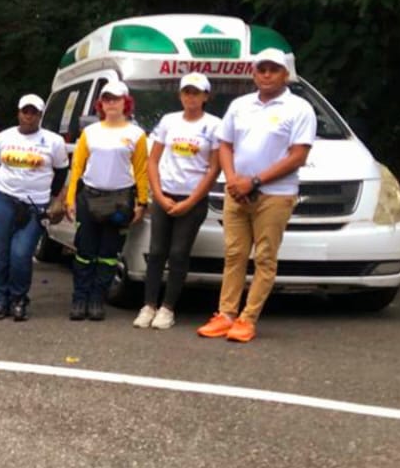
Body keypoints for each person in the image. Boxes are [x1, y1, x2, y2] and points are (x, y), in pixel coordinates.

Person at [197, 49, 316, 343]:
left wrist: (256, 181)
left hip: (274, 194)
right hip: (237, 192)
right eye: (261, 69)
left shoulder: (299, 108)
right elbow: (224, 144)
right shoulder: (240, 105)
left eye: (273, 69)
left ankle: (247, 318)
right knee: (234, 254)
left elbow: (298, 155)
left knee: (264, 257)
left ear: (284, 74)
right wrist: (233, 179)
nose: (266, 74)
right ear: (253, 73)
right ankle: (225, 315)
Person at [133, 73, 221, 331]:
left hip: (193, 199)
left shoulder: (214, 125)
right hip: (165, 194)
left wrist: (192, 200)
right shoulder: (169, 121)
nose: (190, 97)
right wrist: (158, 195)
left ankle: (167, 308)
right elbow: (153, 160)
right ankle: (149, 305)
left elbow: (214, 169)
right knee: (157, 251)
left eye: (196, 92)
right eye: (186, 92)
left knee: (179, 253)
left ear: (206, 96)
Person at [64, 79, 149, 320]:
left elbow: (141, 170)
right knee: (84, 251)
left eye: (116, 99)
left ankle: (97, 300)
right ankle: (80, 299)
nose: (111, 103)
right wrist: (70, 198)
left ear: (126, 102)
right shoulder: (90, 132)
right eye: (107, 99)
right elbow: (77, 167)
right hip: (90, 196)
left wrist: (142, 202)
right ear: (101, 104)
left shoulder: (136, 134)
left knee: (109, 254)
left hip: (120, 199)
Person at [0, 93, 69, 321]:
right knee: (3, 253)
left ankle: (19, 298)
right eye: (25, 111)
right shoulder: (3, 137)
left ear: (40, 115)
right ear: (19, 112)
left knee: (21, 254)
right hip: (5, 200)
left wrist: (53, 199)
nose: (29, 116)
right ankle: (1, 299)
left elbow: (61, 172)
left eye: (34, 112)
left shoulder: (54, 142)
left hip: (35, 204)